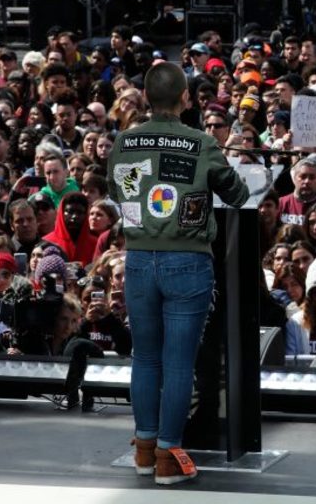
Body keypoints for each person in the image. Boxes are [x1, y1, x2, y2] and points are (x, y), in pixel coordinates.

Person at [106, 62, 249, 485]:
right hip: (187, 260)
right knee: (178, 362)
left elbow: (116, 191)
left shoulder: (125, 141)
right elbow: (237, 194)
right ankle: (169, 455)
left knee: (145, 356)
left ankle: (144, 452)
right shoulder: (202, 142)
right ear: (186, 99)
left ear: (146, 98)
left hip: (137, 259)